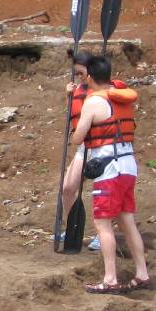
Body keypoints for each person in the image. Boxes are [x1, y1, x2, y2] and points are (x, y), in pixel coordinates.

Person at [70, 55, 151, 294]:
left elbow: (78, 137)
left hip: (109, 169)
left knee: (103, 224)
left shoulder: (93, 102)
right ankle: (142, 274)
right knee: (127, 221)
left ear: (91, 78)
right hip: (128, 166)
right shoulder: (122, 98)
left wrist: (76, 130)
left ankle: (110, 279)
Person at [61, 50, 101, 251]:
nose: (79, 78)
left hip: (103, 146)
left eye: (80, 73)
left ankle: (103, 234)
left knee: (103, 193)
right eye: (76, 74)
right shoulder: (78, 90)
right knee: (68, 188)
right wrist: (70, 95)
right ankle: (73, 227)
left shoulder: (104, 88)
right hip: (84, 146)